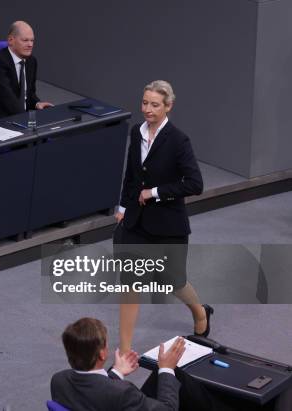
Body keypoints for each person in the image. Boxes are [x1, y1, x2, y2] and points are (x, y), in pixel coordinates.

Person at [114, 80, 209, 355]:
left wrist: (154, 192)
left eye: (154, 104)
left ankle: (200, 313)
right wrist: (122, 207)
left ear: (168, 106)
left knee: (174, 282)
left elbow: (195, 184)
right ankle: (125, 351)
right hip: (135, 222)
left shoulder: (179, 141)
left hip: (168, 225)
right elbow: (131, 175)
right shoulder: (136, 132)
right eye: (145, 103)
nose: (147, 109)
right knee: (129, 283)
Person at [51, 317, 292, 411]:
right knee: (170, 376)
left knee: (167, 378)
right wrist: (166, 367)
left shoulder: (59, 380)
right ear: (103, 353)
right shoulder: (122, 394)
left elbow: (95, 395)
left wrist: (116, 372)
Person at [0, 21, 53, 123]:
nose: (30, 45)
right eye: (25, 40)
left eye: (32, 40)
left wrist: (37, 103)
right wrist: (28, 120)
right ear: (10, 40)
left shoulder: (31, 61)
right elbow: (8, 98)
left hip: (18, 115)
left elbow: (29, 93)